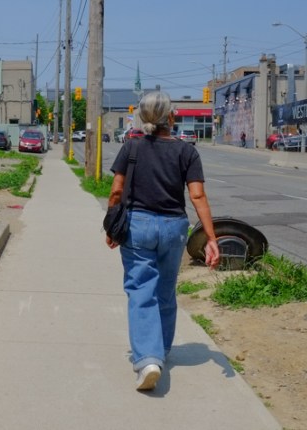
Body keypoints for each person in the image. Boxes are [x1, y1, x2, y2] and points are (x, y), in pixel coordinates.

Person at [105, 91, 220, 391]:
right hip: (174, 228)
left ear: (143, 117)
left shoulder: (131, 147)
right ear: (171, 117)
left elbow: (117, 191)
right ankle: (162, 350)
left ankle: (148, 358)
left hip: (138, 226)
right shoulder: (187, 152)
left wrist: (110, 226)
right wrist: (212, 239)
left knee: (142, 290)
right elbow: (197, 196)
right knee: (165, 289)